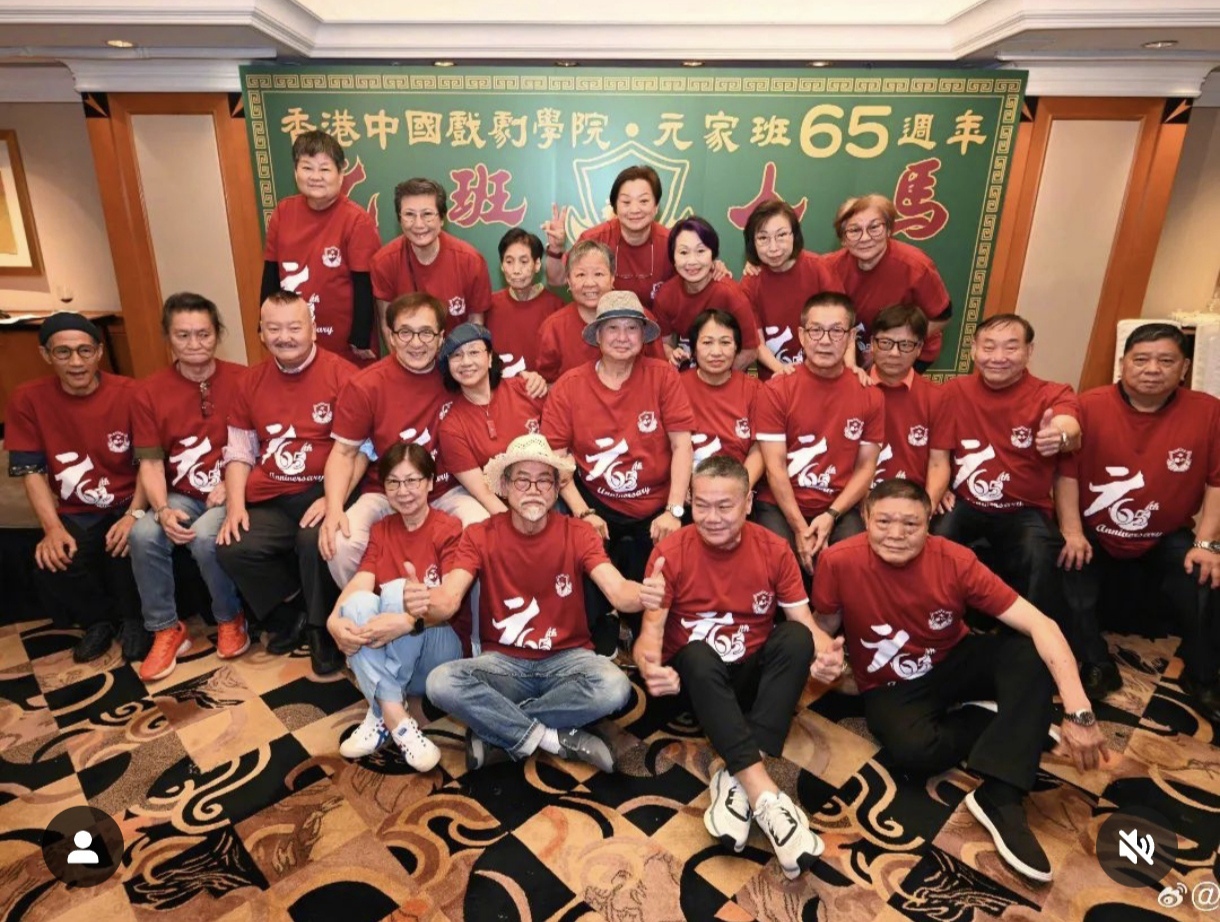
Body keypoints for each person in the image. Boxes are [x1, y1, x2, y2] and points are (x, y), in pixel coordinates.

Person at [812, 479, 1109, 884]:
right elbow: (823, 627)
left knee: (1029, 654)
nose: (896, 534)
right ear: (865, 518)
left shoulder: (955, 559)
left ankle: (1001, 796)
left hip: (954, 658)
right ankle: (1005, 724)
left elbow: (1042, 624)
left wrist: (1080, 713)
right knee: (915, 754)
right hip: (891, 681)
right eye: (883, 521)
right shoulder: (838, 561)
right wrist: (823, 659)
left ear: (928, 524)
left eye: (910, 524)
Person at [634, 456, 844, 879]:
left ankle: (737, 779)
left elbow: (803, 621)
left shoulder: (773, 548)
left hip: (749, 675)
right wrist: (647, 667)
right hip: (696, 680)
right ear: (690, 500)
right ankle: (766, 795)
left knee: (798, 639)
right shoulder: (669, 552)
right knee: (695, 652)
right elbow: (648, 639)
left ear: (748, 502)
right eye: (702, 505)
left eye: (724, 506)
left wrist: (828, 655)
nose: (712, 518)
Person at [423, 434, 664, 770]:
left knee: (615, 687)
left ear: (555, 488)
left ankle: (499, 730)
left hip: (568, 660)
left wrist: (644, 594)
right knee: (440, 683)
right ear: (504, 486)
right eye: (522, 479)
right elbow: (448, 600)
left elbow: (617, 590)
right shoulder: (479, 534)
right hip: (503, 663)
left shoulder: (578, 533)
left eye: (543, 480)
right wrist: (424, 601)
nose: (533, 488)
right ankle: (554, 738)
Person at [1056, 323, 1220, 715]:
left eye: (1166, 361)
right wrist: (1072, 532)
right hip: (1095, 529)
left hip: (1168, 533)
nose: (1152, 369)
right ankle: (1097, 663)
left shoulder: (1209, 412)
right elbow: (1066, 474)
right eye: (1141, 359)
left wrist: (1207, 543)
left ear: (1183, 368)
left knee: (1205, 577)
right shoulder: (1089, 405)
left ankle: (1202, 675)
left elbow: (1217, 482)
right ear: (1123, 363)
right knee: (1063, 565)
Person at [542, 290, 695, 648]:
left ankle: (656, 642)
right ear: (597, 336)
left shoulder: (663, 377)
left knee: (667, 575)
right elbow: (556, 457)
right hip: (596, 502)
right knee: (577, 544)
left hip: (657, 503)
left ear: (644, 336)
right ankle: (600, 638)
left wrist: (674, 510)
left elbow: (682, 444)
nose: (623, 337)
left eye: (632, 328)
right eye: (613, 328)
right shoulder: (570, 386)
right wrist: (584, 512)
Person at [215, 291, 357, 676]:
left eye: (294, 327)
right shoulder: (249, 382)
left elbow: (361, 450)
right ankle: (289, 609)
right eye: (273, 328)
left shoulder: (342, 374)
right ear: (261, 333)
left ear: (313, 328)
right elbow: (239, 452)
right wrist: (235, 505)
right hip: (271, 496)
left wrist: (335, 499)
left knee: (316, 542)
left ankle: (319, 630)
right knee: (232, 545)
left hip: (324, 489)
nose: (285, 336)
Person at [6, 313, 147, 663]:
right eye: (63, 352)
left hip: (129, 500)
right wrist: (51, 528)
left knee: (131, 547)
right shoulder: (27, 400)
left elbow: (150, 462)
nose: (76, 361)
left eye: (85, 350)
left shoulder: (130, 393)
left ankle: (135, 621)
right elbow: (31, 471)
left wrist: (134, 514)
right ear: (46, 355)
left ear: (99, 352)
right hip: (76, 510)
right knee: (52, 560)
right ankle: (97, 621)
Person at [129, 293, 247, 682]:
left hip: (231, 488)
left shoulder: (244, 378)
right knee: (144, 533)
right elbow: (150, 461)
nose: (194, 344)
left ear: (218, 335)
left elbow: (262, 445)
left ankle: (229, 618)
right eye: (183, 336)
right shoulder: (148, 392)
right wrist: (161, 509)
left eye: (203, 334)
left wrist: (232, 488)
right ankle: (166, 628)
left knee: (203, 538)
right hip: (181, 493)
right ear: (169, 338)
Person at [327, 442, 465, 769]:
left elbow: (447, 605)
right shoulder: (382, 529)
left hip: (439, 651)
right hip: (398, 660)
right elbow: (360, 581)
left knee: (400, 592)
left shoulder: (450, 529)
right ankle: (396, 719)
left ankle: (380, 708)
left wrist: (406, 616)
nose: (403, 491)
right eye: (393, 482)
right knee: (359, 602)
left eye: (413, 481)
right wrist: (333, 620)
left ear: (431, 482)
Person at [935, 313, 1080, 622]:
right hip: (964, 502)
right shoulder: (953, 391)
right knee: (936, 541)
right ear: (973, 350)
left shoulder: (1052, 393)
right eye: (989, 347)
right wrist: (941, 487)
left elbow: (1070, 426)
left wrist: (1060, 435)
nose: (998, 357)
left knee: (1040, 552)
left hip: (1024, 508)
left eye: (1011, 347)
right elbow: (937, 455)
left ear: (1029, 351)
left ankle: (1033, 639)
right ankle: (938, 625)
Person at [754, 292, 884, 573]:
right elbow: (774, 467)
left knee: (852, 562)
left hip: (839, 504)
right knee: (776, 559)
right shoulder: (776, 390)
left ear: (850, 338)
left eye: (836, 331)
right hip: (780, 503)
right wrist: (800, 527)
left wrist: (831, 515)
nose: (825, 341)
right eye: (816, 330)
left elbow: (866, 467)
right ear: (801, 335)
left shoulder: (870, 395)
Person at [260, 129, 382, 366]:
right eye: (307, 168)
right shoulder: (283, 213)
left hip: (344, 345)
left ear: (340, 173)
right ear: (296, 172)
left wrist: (360, 338)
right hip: (293, 340)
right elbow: (271, 273)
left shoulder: (356, 220)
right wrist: (263, 323)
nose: (315, 176)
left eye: (324, 169)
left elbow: (364, 285)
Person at [824, 194, 951, 370]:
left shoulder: (916, 266)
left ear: (889, 230)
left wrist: (888, 349)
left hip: (905, 354)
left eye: (874, 227)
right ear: (843, 239)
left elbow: (942, 317)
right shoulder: (829, 268)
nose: (865, 238)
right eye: (854, 230)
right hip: (853, 353)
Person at [437, 323, 547, 517]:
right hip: (503, 508)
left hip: (548, 494)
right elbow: (484, 494)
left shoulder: (526, 388)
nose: (466, 362)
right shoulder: (451, 427)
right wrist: (515, 526)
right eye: (456, 355)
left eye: (474, 352)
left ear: (489, 358)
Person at [369, 177, 493, 335]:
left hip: (456, 356)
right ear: (399, 219)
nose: (419, 224)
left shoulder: (471, 261)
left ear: (442, 218)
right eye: (409, 215)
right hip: (407, 355)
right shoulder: (383, 262)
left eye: (427, 214)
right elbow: (387, 326)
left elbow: (476, 324)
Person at [542, 165, 675, 308]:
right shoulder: (594, 239)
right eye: (626, 202)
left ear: (656, 206)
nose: (635, 209)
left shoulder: (671, 243)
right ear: (615, 207)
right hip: (600, 326)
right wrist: (556, 248)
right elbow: (557, 279)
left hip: (654, 327)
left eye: (643, 201)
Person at [535, 240, 665, 383]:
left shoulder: (641, 318)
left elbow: (660, 374)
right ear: (569, 281)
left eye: (598, 274)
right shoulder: (553, 328)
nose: (590, 283)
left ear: (612, 278)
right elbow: (546, 383)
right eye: (580, 275)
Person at [739, 199, 840, 381]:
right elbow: (756, 343)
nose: (773, 247)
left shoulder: (818, 269)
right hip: (776, 380)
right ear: (752, 242)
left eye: (781, 235)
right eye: (763, 238)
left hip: (822, 376)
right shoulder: (750, 283)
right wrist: (784, 371)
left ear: (794, 235)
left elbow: (841, 326)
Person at [868, 304, 951, 506]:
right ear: (872, 344)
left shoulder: (936, 396)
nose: (895, 354)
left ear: (919, 348)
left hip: (913, 499)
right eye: (886, 343)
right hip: (859, 499)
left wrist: (926, 508)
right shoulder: (853, 389)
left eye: (905, 345)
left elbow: (939, 463)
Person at [651, 216, 758, 370]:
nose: (692, 261)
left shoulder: (731, 295)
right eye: (683, 252)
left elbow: (750, 351)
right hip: (685, 383)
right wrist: (671, 355)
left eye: (700, 251)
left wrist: (715, 380)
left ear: (713, 255)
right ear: (673, 258)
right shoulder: (666, 295)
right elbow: (665, 343)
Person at [681, 310, 765, 487]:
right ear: (694, 348)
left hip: (740, 487)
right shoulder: (675, 387)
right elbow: (667, 448)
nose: (716, 352)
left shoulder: (754, 389)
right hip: (688, 487)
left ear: (737, 347)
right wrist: (685, 485)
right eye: (707, 343)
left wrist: (739, 489)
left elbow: (760, 450)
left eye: (725, 342)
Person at [486, 228, 564, 376]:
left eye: (524, 261)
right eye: (509, 262)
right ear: (502, 266)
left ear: (537, 264)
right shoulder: (488, 306)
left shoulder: (556, 307)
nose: (516, 270)